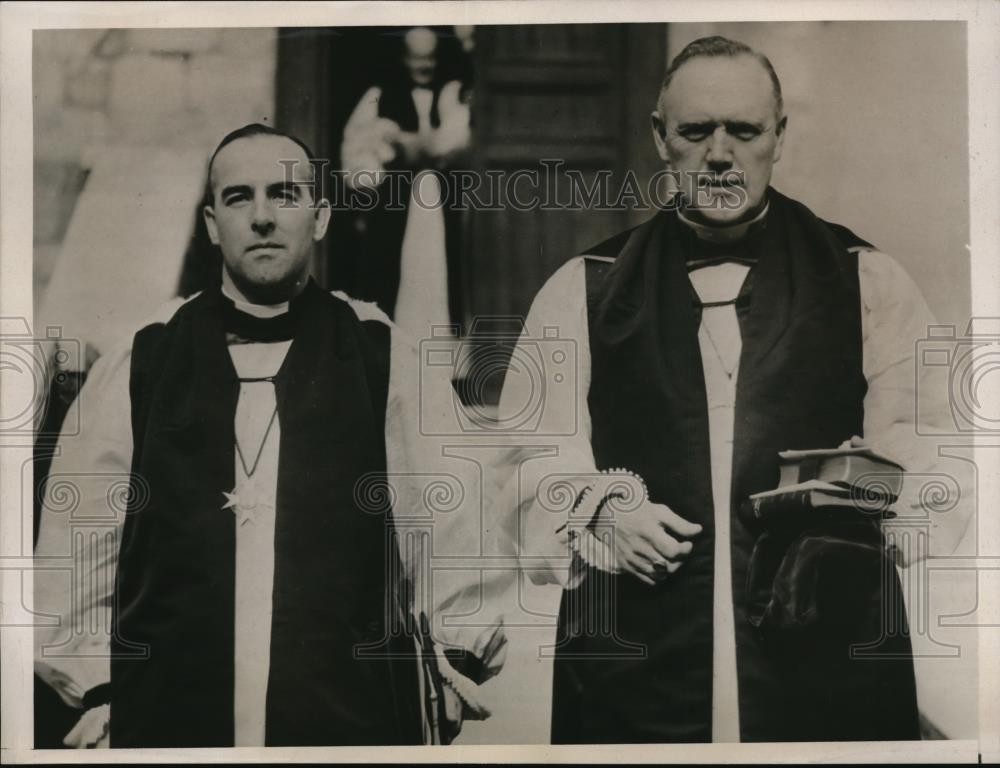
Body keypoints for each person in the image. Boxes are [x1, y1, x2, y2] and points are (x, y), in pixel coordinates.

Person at [498, 36, 971, 743]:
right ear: (661, 137)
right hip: (638, 665)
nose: (720, 154)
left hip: (824, 661)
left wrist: (873, 491)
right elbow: (522, 456)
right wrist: (595, 513)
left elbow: (936, 450)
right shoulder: (585, 288)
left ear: (779, 136)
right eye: (696, 131)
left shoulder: (864, 279)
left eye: (744, 130)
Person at [33, 123, 505, 748]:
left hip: (343, 717)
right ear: (210, 222)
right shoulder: (141, 360)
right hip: (172, 716)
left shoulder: (381, 356)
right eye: (238, 197)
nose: (261, 217)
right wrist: (95, 685)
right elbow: (77, 547)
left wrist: (456, 659)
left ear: (320, 215)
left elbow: (452, 525)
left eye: (284, 195)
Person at [340, 26, 472, 337]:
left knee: (442, 270)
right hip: (395, 201)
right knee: (391, 270)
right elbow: (355, 152)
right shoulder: (378, 96)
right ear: (404, 58)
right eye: (417, 59)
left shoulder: (451, 94)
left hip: (441, 203)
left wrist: (412, 141)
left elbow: (457, 141)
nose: (424, 67)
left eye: (430, 59)